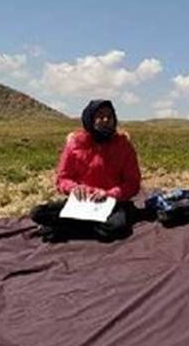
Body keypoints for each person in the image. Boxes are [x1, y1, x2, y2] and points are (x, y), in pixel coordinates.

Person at [29, 99, 142, 242]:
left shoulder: (123, 145)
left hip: (112, 203)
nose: (106, 120)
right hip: (82, 202)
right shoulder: (75, 143)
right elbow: (63, 178)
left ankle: (64, 228)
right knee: (38, 213)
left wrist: (110, 194)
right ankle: (77, 226)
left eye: (110, 116)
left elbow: (133, 183)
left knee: (115, 227)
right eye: (100, 116)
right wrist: (74, 188)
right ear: (90, 119)